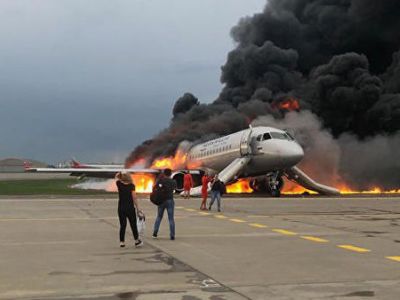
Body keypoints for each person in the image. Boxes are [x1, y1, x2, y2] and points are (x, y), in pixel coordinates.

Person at [115, 172, 143, 248]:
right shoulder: (132, 186)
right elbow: (134, 197)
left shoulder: (119, 184)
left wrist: (120, 174)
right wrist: (138, 208)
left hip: (121, 208)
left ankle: (122, 242)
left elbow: (117, 176)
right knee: (133, 225)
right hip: (130, 208)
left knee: (123, 225)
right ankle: (136, 240)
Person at [152, 168, 177, 240]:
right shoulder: (173, 181)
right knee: (171, 218)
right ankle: (172, 235)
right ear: (170, 173)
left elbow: (155, 188)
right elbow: (175, 189)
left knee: (159, 217)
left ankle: (155, 233)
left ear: (164, 173)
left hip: (161, 201)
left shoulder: (160, 180)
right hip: (170, 200)